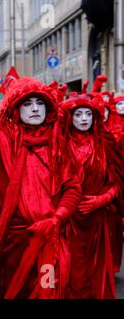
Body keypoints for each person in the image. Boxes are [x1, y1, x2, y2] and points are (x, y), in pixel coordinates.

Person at [0, 57, 82, 299]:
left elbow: (72, 188)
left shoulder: (59, 144)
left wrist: (57, 218)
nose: (35, 109)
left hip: (51, 239)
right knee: (16, 293)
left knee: (48, 292)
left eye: (39, 103)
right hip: (15, 242)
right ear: (15, 109)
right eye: (27, 103)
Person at [58, 94, 121, 298]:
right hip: (67, 222)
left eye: (88, 114)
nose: (84, 118)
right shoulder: (59, 144)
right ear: (70, 117)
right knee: (67, 273)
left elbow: (117, 184)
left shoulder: (104, 144)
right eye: (78, 114)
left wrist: (100, 200)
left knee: (95, 274)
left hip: (96, 222)